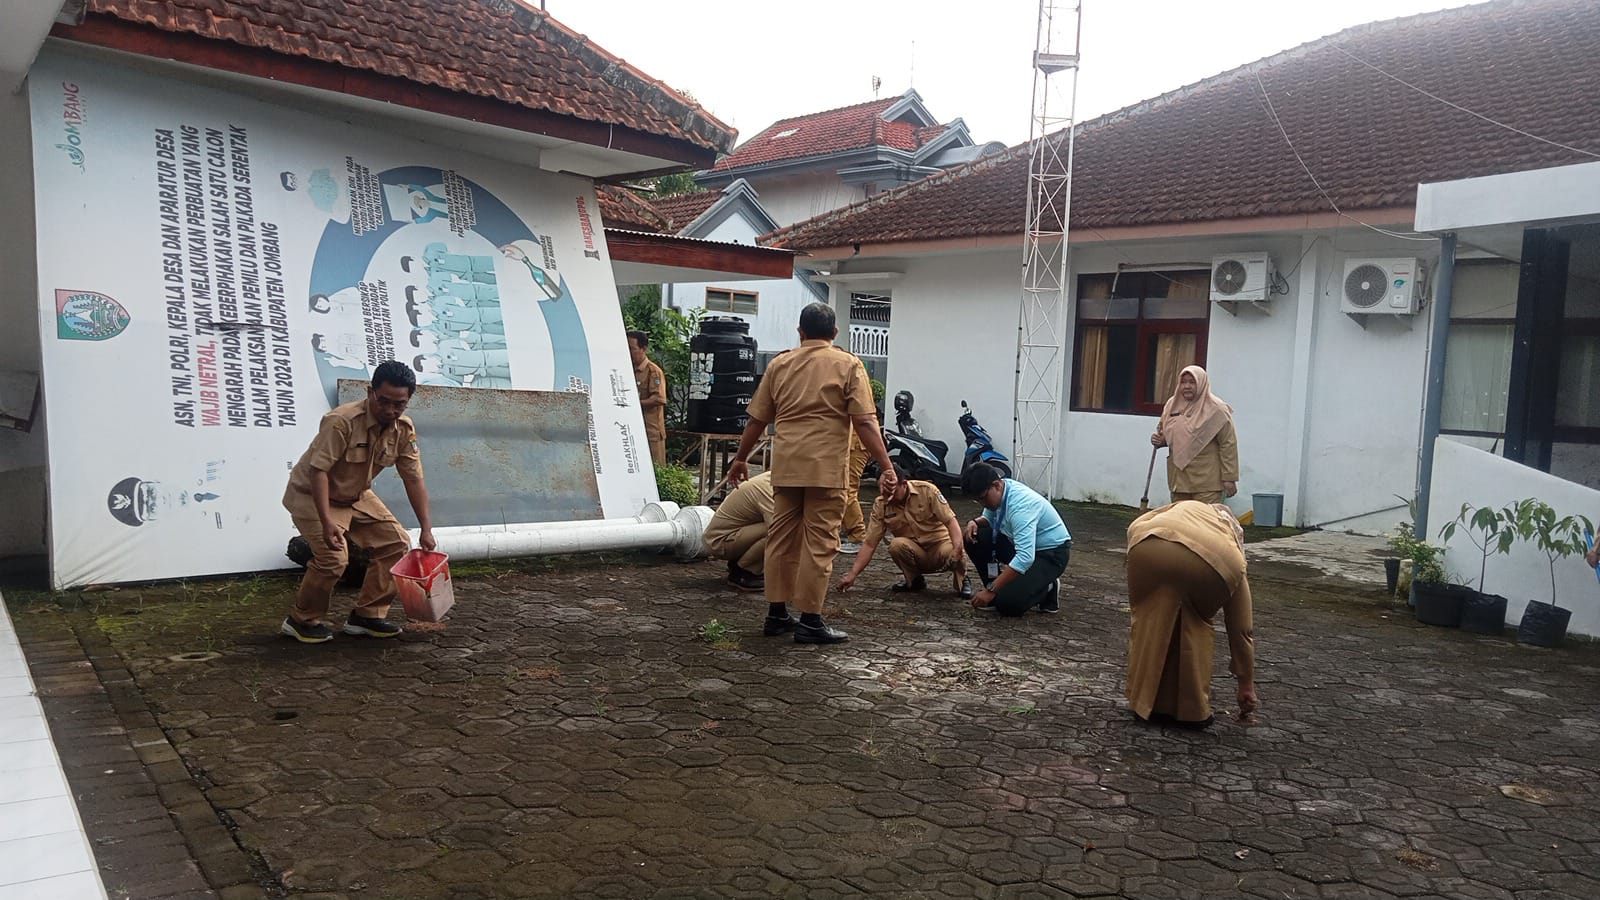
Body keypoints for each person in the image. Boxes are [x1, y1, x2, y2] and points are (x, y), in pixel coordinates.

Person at [726, 302, 897, 645]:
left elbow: (757, 419)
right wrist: (887, 466)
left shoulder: (780, 364)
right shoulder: (848, 364)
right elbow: (864, 421)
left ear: (800, 332)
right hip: (825, 469)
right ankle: (810, 620)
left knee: (781, 539)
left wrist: (740, 458)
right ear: (835, 332)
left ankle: (776, 613)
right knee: (820, 543)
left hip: (786, 467)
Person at [280, 361, 436, 643]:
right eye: (383, 401)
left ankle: (367, 616)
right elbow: (319, 472)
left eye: (399, 404)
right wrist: (327, 522)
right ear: (370, 392)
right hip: (312, 495)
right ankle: (301, 620)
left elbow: (413, 479)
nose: (390, 410)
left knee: (397, 543)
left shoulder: (403, 429)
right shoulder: (341, 421)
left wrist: (426, 528)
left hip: (356, 495)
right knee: (333, 558)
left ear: (408, 400)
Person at [1125, 500, 1258, 728]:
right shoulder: (1231, 544)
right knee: (1195, 622)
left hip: (1147, 542)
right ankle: (1192, 712)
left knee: (1150, 619)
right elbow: (1241, 628)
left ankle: (1143, 704)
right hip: (1214, 560)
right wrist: (1246, 684)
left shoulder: (1185, 505)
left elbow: (1136, 524)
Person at [836, 465, 972, 599]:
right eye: (884, 493)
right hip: (915, 551)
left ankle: (962, 580)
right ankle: (914, 580)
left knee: (955, 548)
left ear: (904, 484)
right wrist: (852, 574)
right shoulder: (881, 505)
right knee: (896, 545)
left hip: (940, 546)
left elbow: (951, 522)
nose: (889, 498)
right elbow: (870, 544)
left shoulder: (927, 491)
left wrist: (957, 548)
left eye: (892, 492)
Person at [961, 462, 1071, 615]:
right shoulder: (1003, 489)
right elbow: (989, 518)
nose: (983, 504)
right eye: (978, 501)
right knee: (975, 536)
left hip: (1050, 554)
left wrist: (990, 591)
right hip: (1022, 545)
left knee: (1008, 605)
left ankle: (1048, 587)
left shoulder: (1021, 507)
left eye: (983, 498)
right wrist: (974, 522)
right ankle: (997, 588)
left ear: (996, 485)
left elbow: (1025, 557)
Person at [1151, 365, 1239, 504]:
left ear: (1202, 383)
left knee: (1204, 517)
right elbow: (1167, 434)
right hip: (1179, 480)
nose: (1187, 386)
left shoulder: (1217, 409)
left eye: (1192, 382)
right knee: (1180, 517)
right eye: (1183, 382)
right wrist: (1160, 440)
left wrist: (1229, 478)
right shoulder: (1171, 405)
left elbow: (1228, 444)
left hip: (1207, 482)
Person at [704, 471, 774, 591]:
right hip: (719, 542)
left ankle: (741, 562)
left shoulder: (770, 480)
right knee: (782, 530)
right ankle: (745, 571)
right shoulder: (768, 489)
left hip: (730, 536)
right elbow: (780, 529)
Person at [628, 330, 668, 466]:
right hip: (633, 429)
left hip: (651, 432)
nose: (629, 353)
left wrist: (635, 404)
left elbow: (659, 399)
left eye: (632, 349)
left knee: (656, 468)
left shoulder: (653, 371)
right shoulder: (627, 370)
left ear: (643, 349)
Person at [838, 415, 871, 553]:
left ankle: (858, 536)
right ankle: (846, 530)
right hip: (849, 442)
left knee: (847, 490)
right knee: (841, 489)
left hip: (855, 444)